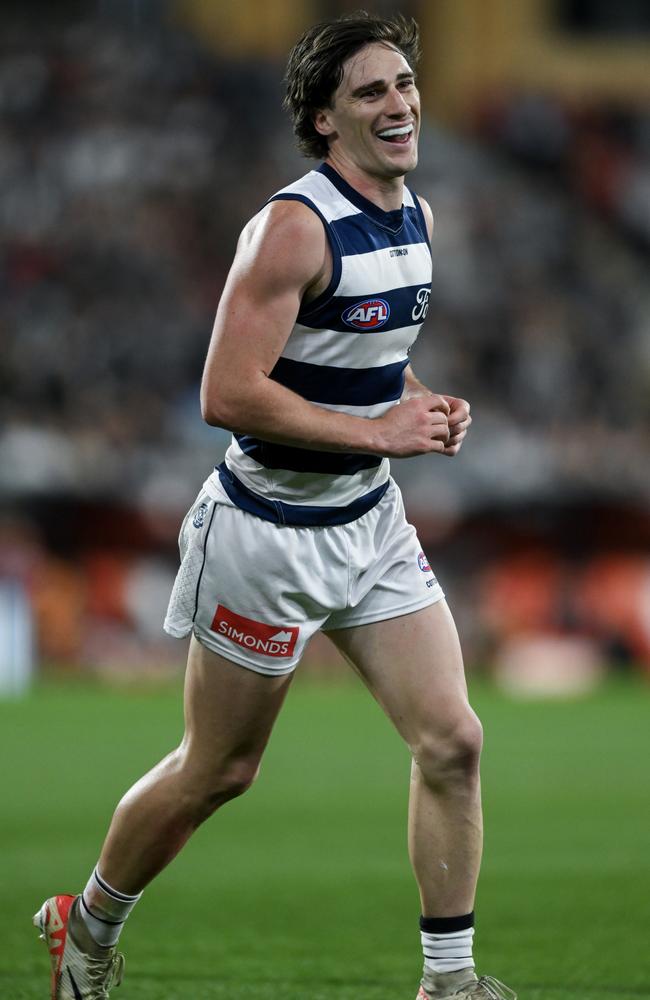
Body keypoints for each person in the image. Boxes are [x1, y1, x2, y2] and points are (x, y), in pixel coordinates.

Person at [34, 12, 516, 1000]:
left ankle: (448, 980)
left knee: (453, 738)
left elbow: (361, 358)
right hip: (265, 535)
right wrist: (383, 432)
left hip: (369, 523)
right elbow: (227, 394)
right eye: (370, 91)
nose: (399, 103)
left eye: (403, 83)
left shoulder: (413, 215)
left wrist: (413, 401)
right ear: (325, 119)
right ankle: (85, 922)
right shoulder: (290, 227)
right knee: (217, 770)